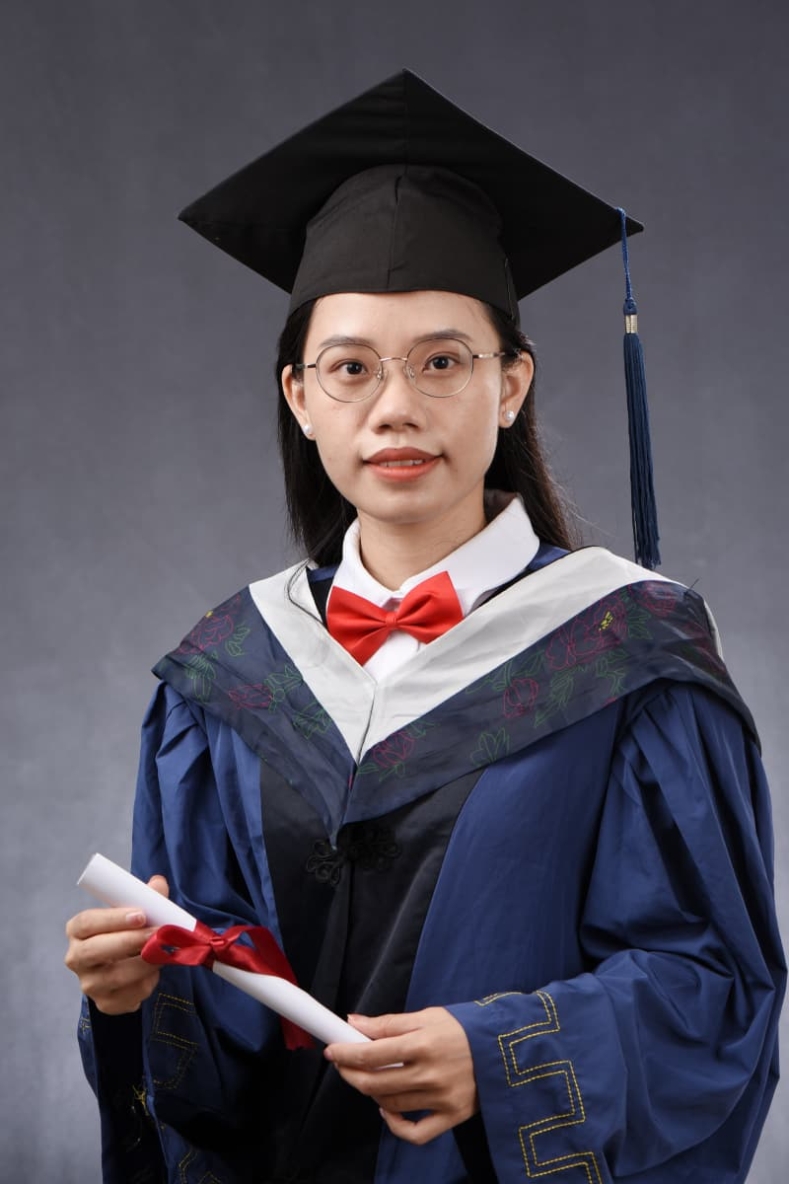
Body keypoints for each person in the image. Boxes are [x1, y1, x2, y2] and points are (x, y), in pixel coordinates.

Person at [64, 71, 784, 1184]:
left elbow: (713, 988)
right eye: (350, 368)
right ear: (301, 400)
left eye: (442, 361)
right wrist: (140, 993)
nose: (394, 407)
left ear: (511, 384)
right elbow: (208, 1062)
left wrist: (501, 1058)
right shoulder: (228, 676)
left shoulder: (629, 655)